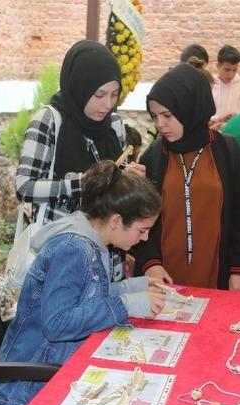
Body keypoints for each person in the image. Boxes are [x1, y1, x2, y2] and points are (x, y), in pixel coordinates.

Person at [0, 162, 165, 405]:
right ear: (116, 221)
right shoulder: (73, 249)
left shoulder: (91, 237)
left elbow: (88, 295)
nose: (145, 239)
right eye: (142, 230)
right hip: (29, 388)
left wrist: (133, 286)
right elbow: (58, 324)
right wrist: (126, 304)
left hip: (52, 370)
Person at [16, 40, 144, 282]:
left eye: (114, 95)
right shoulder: (49, 121)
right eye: (99, 95)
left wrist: (129, 179)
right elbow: (24, 187)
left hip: (107, 257)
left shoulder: (114, 124)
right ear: (80, 86)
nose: (107, 105)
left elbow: (113, 182)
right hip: (63, 256)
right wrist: (80, 183)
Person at [134, 63, 240, 291]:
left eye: (167, 115)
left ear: (189, 107)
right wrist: (150, 264)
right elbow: (139, 218)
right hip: (163, 281)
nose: (160, 124)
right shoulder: (154, 156)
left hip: (217, 274)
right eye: (154, 116)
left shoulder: (227, 151)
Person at [210, 45, 240, 129]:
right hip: (212, 133)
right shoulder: (209, 86)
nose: (231, 75)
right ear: (217, 66)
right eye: (227, 70)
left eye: (234, 70)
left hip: (237, 132)